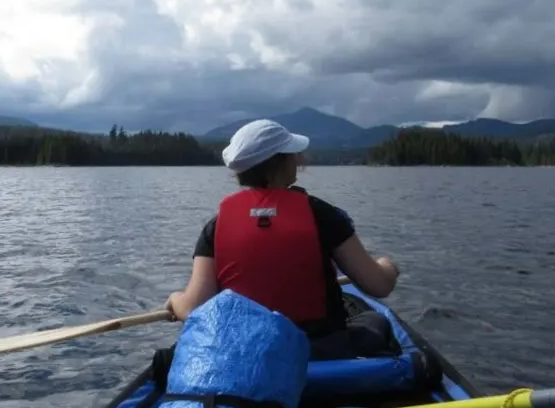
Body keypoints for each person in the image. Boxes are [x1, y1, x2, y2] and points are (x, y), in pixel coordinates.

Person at [164, 118, 401, 351]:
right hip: (318, 346)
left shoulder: (215, 227)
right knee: (375, 321)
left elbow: (193, 309)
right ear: (283, 162)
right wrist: (387, 267)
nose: (298, 159)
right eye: (293, 154)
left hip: (246, 351)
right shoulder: (324, 216)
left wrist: (176, 298)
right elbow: (379, 286)